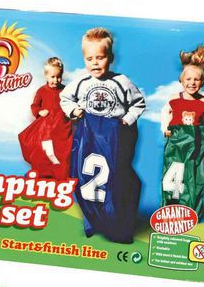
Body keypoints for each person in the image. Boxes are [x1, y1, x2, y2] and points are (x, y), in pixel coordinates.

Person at [59, 28, 145, 243]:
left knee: (117, 178)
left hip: (114, 138)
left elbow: (138, 103)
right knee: (84, 176)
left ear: (111, 58)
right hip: (89, 137)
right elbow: (65, 98)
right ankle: (93, 220)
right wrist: (74, 111)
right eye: (89, 59)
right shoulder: (81, 82)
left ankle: (117, 221)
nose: (95, 63)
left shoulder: (121, 81)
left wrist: (127, 120)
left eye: (100, 57)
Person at [161, 43, 204, 219]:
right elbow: (165, 113)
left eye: (196, 80)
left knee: (192, 175)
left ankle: (190, 211)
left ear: (202, 81)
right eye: (188, 79)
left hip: (195, 145)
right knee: (173, 173)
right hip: (176, 143)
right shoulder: (174, 99)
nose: (192, 83)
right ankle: (170, 208)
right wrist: (165, 128)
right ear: (181, 80)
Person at [18, 57, 72, 180]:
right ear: (46, 75)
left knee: (63, 151)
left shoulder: (65, 90)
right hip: (46, 128)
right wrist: (39, 112)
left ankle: (61, 175)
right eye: (53, 77)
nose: (56, 80)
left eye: (59, 77)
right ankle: (43, 174)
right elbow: (34, 106)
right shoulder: (42, 91)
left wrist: (70, 112)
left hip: (61, 127)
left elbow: (70, 103)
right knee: (43, 150)